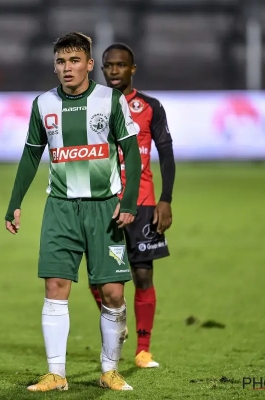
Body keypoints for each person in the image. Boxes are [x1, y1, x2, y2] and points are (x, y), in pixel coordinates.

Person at [5, 32, 142, 392]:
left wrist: (128, 201)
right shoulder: (43, 104)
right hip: (61, 208)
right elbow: (31, 154)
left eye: (75, 61)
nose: (67, 68)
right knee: (55, 286)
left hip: (104, 209)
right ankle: (56, 374)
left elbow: (131, 152)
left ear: (89, 64)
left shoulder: (110, 100)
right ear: (54, 66)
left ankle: (110, 370)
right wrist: (15, 202)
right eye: (61, 62)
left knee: (113, 294)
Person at [88, 43, 176, 369]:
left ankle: (143, 350)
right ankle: (118, 321)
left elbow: (166, 152)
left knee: (142, 275)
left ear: (132, 69)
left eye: (120, 65)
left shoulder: (151, 107)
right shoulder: (91, 106)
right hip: (103, 201)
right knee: (97, 278)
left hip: (142, 202)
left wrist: (165, 199)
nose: (114, 71)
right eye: (109, 65)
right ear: (101, 69)